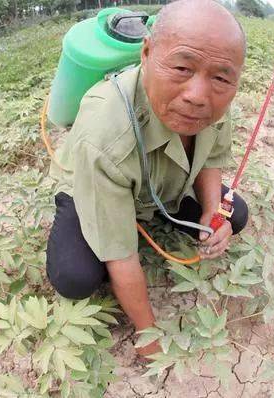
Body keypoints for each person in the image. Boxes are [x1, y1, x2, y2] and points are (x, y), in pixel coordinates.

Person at [47, 0, 248, 358]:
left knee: (237, 214)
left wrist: (212, 211)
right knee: (74, 276)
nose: (199, 97)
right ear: (147, 52)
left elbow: (212, 156)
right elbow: (121, 255)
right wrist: (149, 337)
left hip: (165, 180)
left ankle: (165, 214)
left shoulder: (217, 102)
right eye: (182, 67)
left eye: (220, 77)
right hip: (93, 182)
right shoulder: (104, 133)